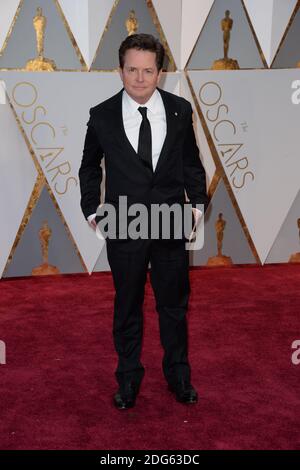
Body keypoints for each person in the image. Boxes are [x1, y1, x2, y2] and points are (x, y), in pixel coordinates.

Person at [79, 33, 208, 410]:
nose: (139, 78)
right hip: (124, 222)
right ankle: (128, 378)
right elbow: (89, 167)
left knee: (173, 304)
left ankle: (179, 376)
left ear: (160, 72)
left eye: (147, 71)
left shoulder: (180, 110)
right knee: (128, 304)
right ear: (120, 70)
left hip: (170, 220)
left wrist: (196, 207)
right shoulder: (101, 115)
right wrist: (92, 209)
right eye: (132, 70)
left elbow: (191, 163)